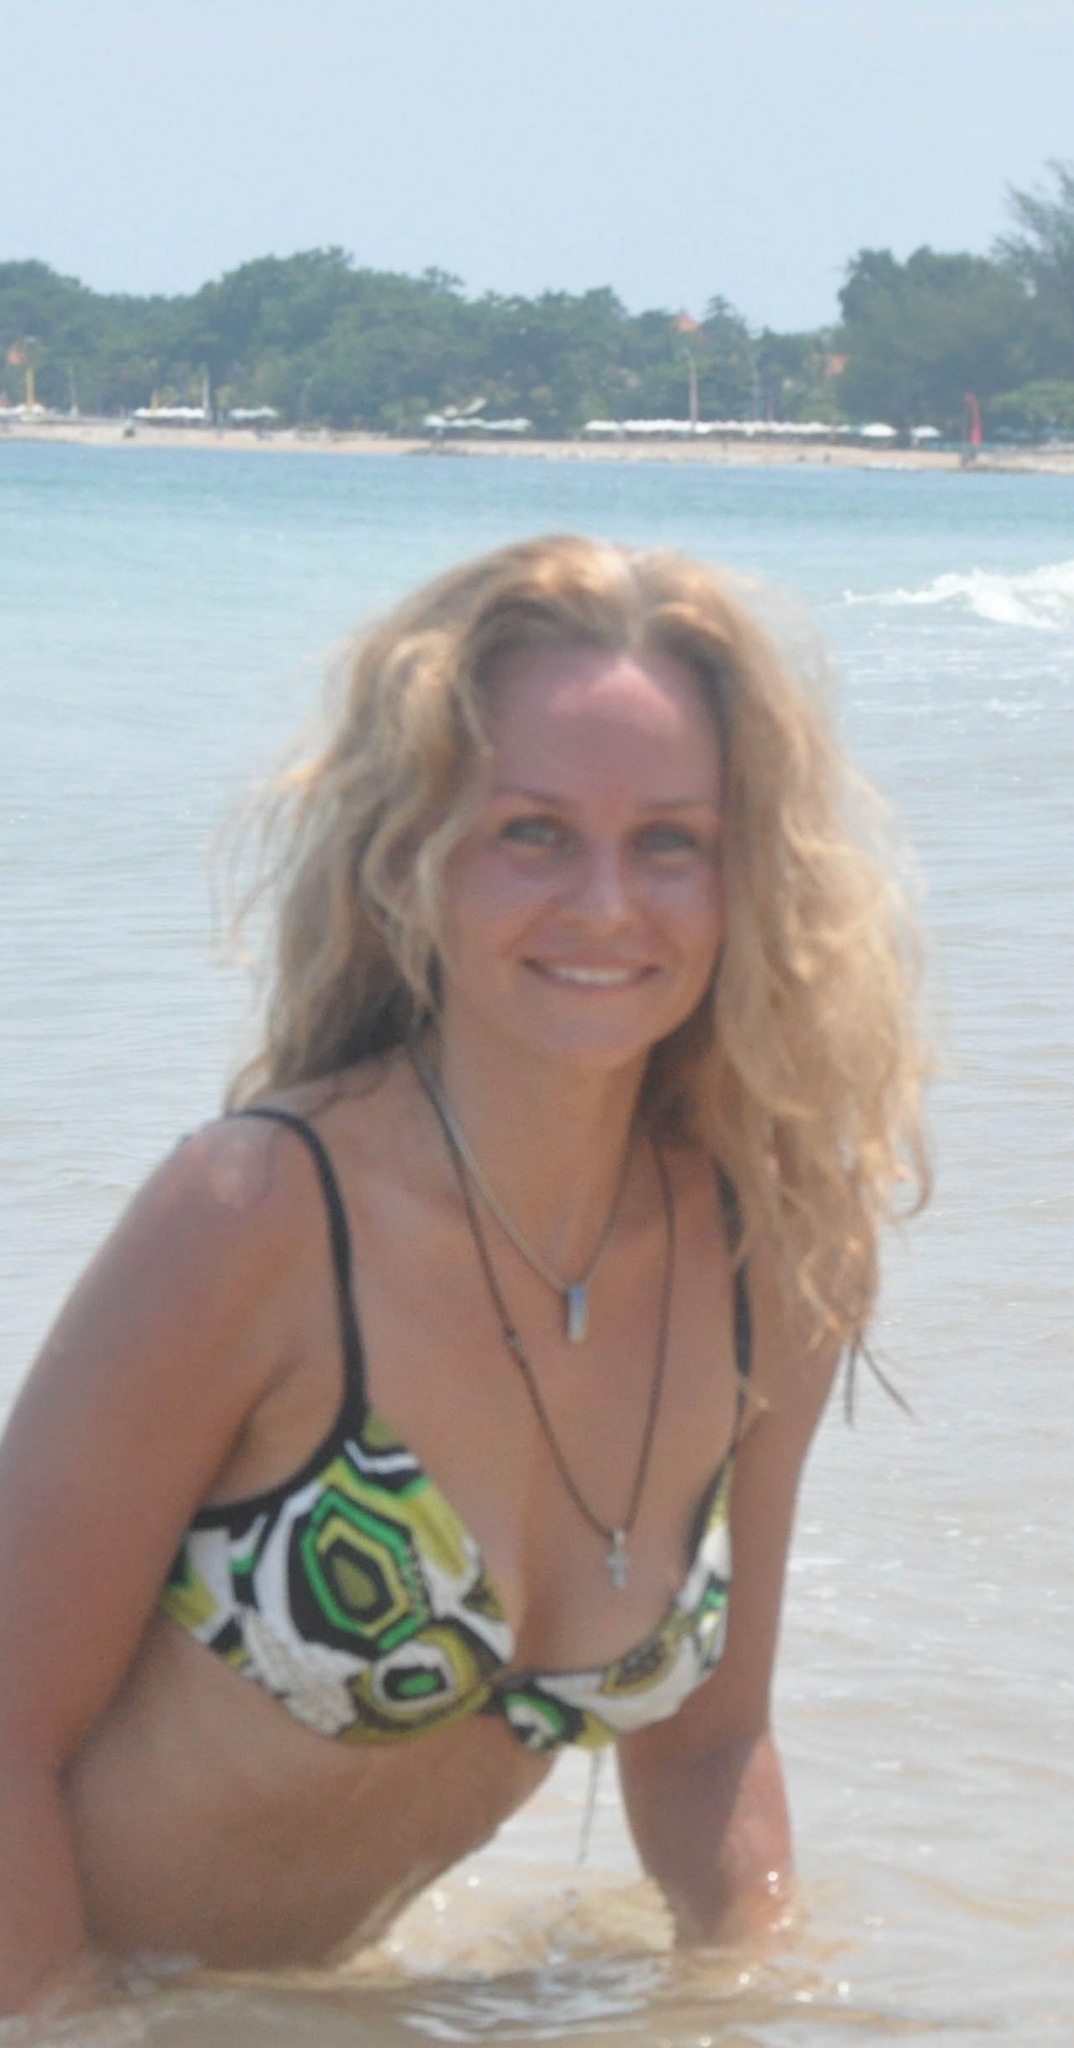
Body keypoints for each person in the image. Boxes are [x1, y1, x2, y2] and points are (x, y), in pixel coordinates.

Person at [0, 535, 929, 2019]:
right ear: (411, 854)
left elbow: (703, 1751)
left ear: (749, 873)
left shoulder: (775, 1254)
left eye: (671, 842)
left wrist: (754, 2001)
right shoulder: (257, 1219)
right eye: (532, 833)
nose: (606, 904)